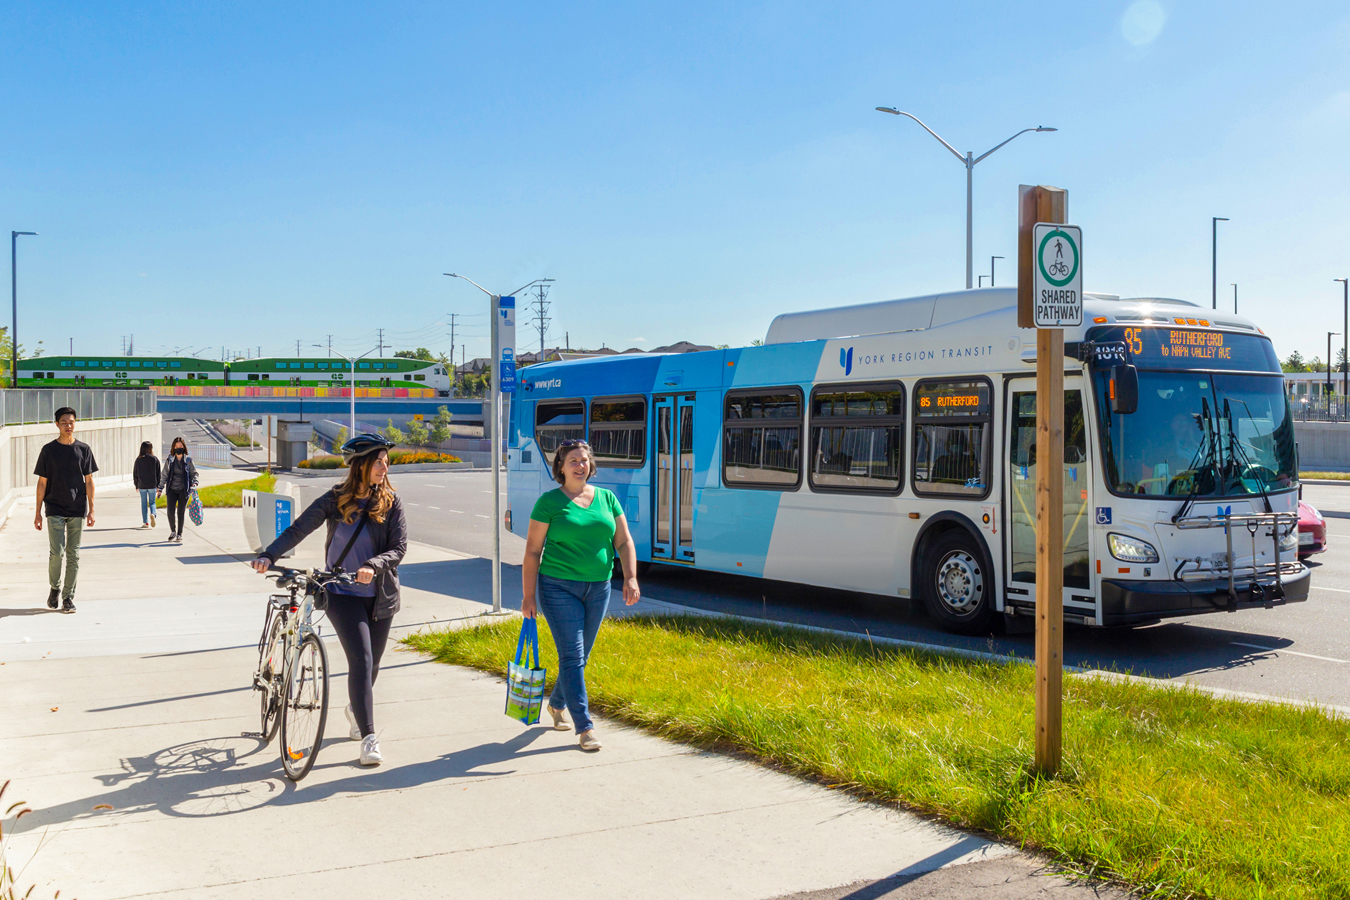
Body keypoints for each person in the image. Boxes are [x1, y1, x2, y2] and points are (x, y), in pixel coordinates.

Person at [250, 434, 407, 767]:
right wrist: (269, 553)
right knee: (362, 661)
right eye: (378, 461)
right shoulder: (336, 499)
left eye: (386, 462)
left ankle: (355, 708)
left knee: (372, 665)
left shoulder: (392, 503)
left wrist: (372, 565)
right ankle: (369, 738)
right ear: (360, 465)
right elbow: (299, 528)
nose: (384, 467)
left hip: (380, 597)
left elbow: (398, 548)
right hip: (341, 592)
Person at [522, 439, 640, 752]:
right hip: (558, 587)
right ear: (560, 468)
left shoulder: (607, 498)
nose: (579, 465)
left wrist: (630, 577)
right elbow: (533, 551)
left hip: (599, 588)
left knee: (580, 656)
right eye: (572, 460)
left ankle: (557, 703)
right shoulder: (549, 503)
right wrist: (528, 596)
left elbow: (624, 542)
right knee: (573, 656)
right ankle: (585, 727)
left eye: (584, 460)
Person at [34, 407, 99, 613]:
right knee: (57, 553)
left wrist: (92, 509)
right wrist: (37, 512)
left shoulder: (83, 449)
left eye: (71, 422)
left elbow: (89, 481)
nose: (68, 426)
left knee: (74, 554)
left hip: (77, 508)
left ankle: (68, 597)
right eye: (64, 422)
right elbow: (42, 483)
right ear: (57, 424)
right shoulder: (48, 450)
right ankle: (55, 588)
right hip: (53, 507)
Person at [158, 437, 199, 543]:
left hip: (184, 490)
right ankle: (173, 531)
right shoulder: (170, 460)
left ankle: (179, 533)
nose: (178, 448)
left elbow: (194, 473)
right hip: (172, 490)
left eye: (180, 446)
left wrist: (195, 483)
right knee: (170, 512)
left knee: (180, 513)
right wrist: (160, 488)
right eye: (176, 446)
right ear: (173, 447)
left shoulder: (188, 461)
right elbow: (164, 475)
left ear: (184, 447)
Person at [133, 441, 160, 529]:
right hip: (152, 485)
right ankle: (153, 514)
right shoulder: (155, 459)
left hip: (142, 485)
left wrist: (136, 484)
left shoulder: (138, 460)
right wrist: (158, 485)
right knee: (152, 502)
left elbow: (135, 473)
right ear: (150, 448)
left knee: (144, 503)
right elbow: (158, 473)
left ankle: (146, 523)